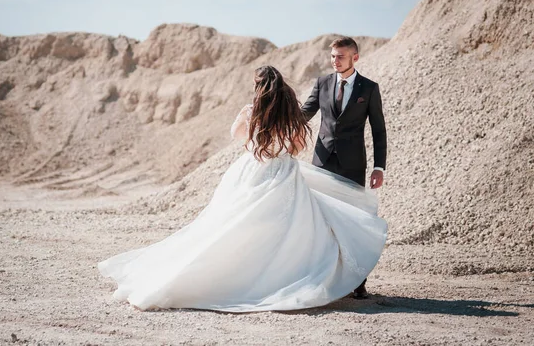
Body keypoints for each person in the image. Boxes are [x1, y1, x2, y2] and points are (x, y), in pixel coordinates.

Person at [98, 65, 387, 312]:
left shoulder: (251, 112)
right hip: (284, 173)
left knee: (228, 225)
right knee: (287, 231)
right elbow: (298, 147)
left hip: (250, 171)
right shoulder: (290, 115)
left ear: (259, 86)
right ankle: (279, 276)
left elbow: (237, 135)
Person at [301, 36, 387, 299]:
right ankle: (322, 278)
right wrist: (277, 116)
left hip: (352, 165)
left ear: (355, 58)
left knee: (352, 221)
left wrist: (379, 167)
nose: (334, 61)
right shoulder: (322, 83)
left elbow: (379, 130)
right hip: (322, 162)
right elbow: (304, 114)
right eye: (332, 56)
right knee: (320, 221)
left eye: (340, 56)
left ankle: (357, 280)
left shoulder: (369, 88)